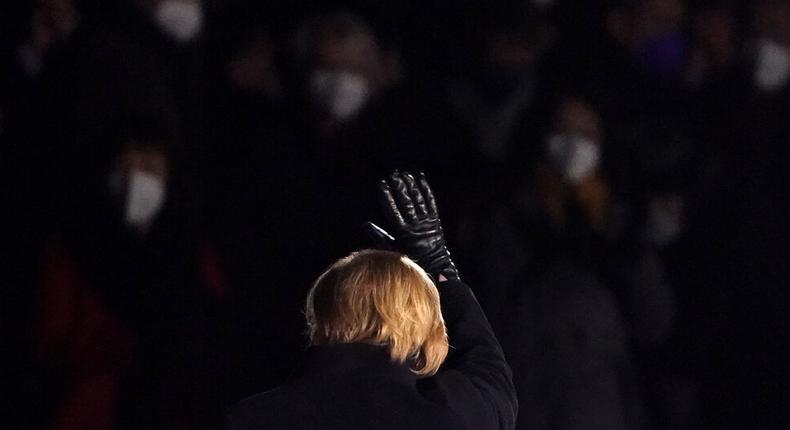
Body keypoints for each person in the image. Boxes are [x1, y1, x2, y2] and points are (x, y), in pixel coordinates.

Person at [227, 171, 518, 430]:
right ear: (425, 327)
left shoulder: (251, 417)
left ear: (319, 316)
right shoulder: (451, 414)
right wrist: (441, 269)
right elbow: (492, 376)